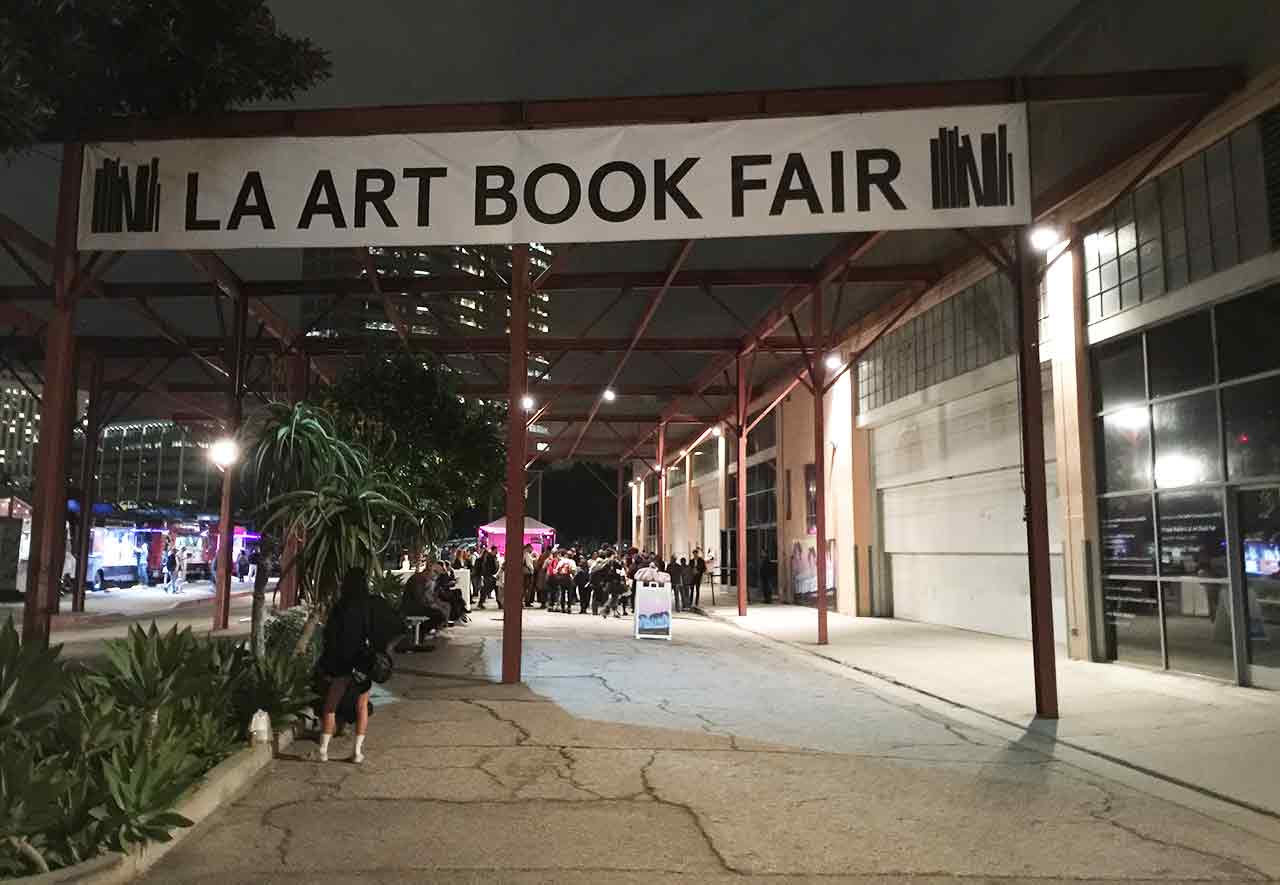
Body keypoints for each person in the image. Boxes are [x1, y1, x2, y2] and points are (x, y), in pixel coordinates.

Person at [318, 568, 377, 764]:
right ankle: (357, 752)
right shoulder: (367, 607)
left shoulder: (339, 607)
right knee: (362, 705)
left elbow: (329, 636)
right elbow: (373, 634)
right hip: (361, 661)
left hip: (341, 661)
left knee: (331, 704)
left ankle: (323, 750)